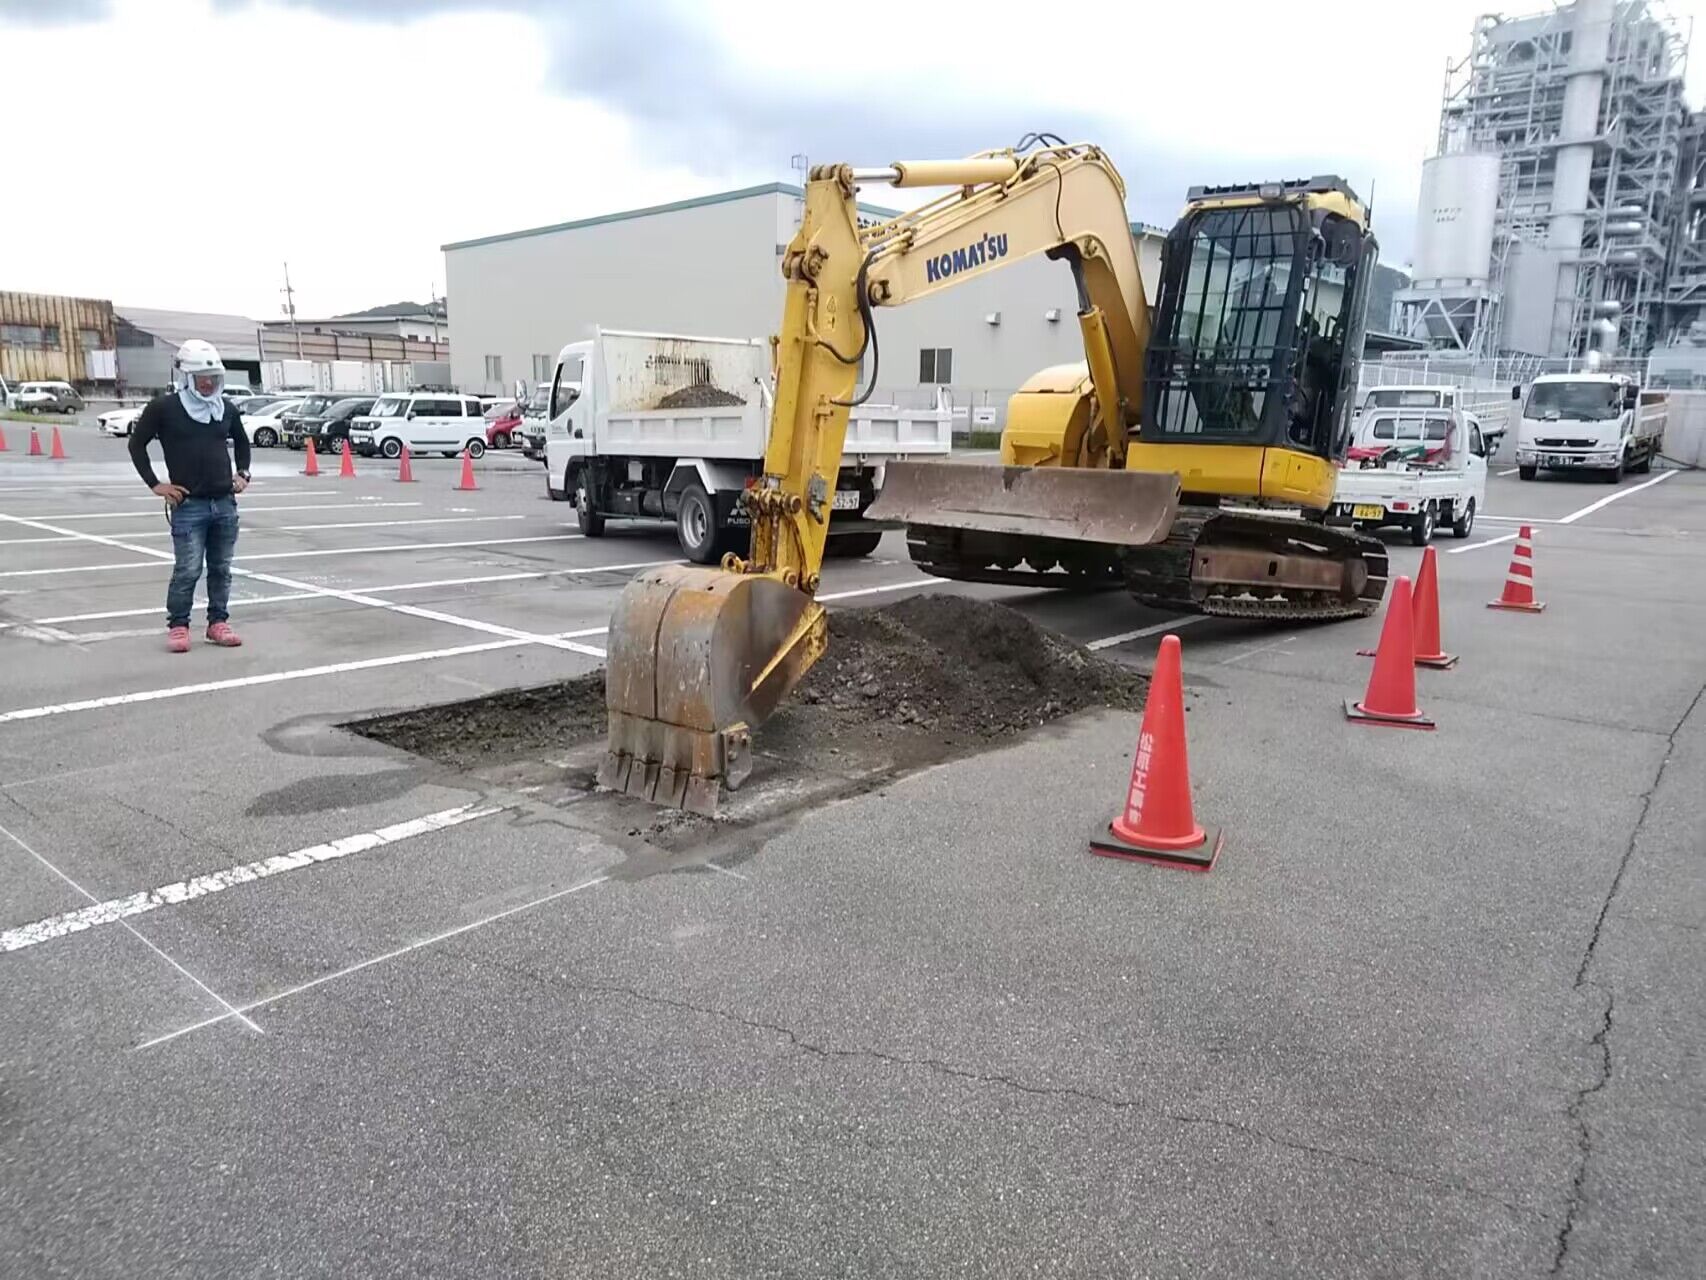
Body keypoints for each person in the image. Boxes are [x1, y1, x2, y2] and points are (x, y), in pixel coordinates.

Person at [128, 340, 252, 653]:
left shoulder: (225, 408)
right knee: (188, 569)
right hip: (188, 505)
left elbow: (241, 442)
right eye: (201, 377)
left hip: (224, 502)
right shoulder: (164, 408)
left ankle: (217, 622)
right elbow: (136, 444)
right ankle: (179, 625)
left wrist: (243, 473)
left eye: (212, 376)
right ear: (188, 377)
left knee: (222, 568)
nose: (208, 383)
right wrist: (156, 484)